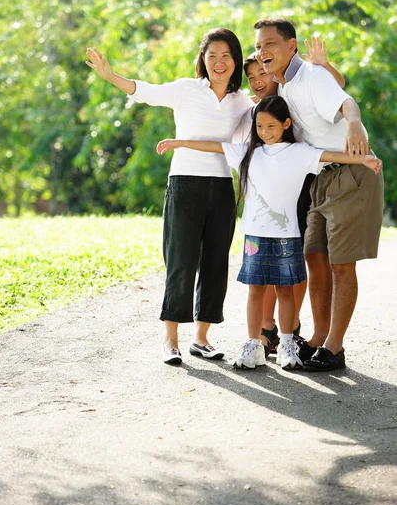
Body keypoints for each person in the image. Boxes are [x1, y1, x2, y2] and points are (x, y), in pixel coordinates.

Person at [156, 96, 382, 370]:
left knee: (285, 292)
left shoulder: (299, 152)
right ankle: (254, 345)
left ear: (286, 124)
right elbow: (214, 147)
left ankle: (287, 344)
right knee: (256, 292)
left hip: (287, 236)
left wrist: (365, 160)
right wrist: (179, 143)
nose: (265, 132)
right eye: (260, 126)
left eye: (271, 126)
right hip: (254, 237)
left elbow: (330, 155)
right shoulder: (249, 153)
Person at [85, 28, 254, 365]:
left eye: (226, 56)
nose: (219, 62)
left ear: (235, 60)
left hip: (221, 186)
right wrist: (110, 76)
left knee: (215, 263)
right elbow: (144, 90)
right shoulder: (186, 90)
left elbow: (254, 132)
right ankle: (170, 339)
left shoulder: (242, 102)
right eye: (212, 56)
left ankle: (202, 338)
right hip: (185, 183)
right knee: (181, 261)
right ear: (202, 60)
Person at [254, 18, 384, 371]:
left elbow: (346, 101)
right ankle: (318, 338)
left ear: (291, 45)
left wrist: (354, 122)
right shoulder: (282, 88)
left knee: (342, 264)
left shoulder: (310, 76)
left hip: (352, 171)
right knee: (314, 258)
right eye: (258, 46)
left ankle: (334, 347)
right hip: (321, 179)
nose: (262, 52)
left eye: (270, 44)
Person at [242, 40, 346, 357]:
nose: (259, 79)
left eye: (263, 71)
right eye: (251, 76)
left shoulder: (291, 91)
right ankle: (268, 329)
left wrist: (323, 63)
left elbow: (337, 87)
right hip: (269, 202)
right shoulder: (255, 110)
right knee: (269, 264)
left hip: (304, 184)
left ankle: (291, 328)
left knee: (295, 259)